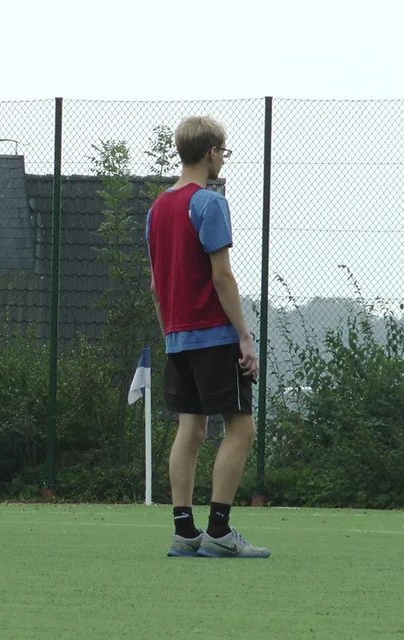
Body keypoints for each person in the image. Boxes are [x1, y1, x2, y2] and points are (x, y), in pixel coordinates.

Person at [147, 116, 269, 558]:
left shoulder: (157, 208)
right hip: (214, 336)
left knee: (190, 429)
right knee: (241, 429)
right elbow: (222, 278)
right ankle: (219, 532)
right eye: (224, 152)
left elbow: (157, 286)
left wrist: (169, 336)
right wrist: (245, 337)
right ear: (212, 152)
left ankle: (185, 532)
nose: (223, 160)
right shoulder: (210, 204)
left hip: (178, 339)